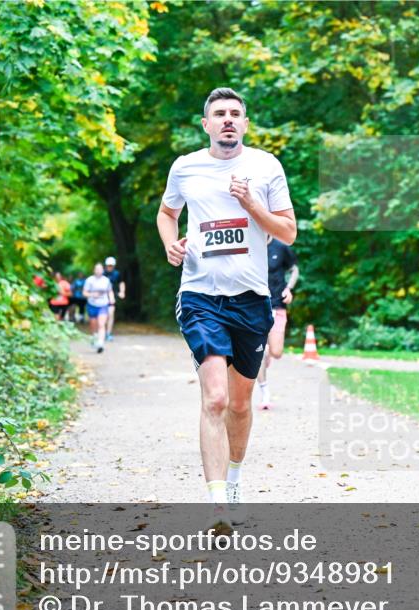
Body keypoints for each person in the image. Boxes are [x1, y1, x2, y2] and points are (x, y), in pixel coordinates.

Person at [156, 87, 296, 530]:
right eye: (219, 114)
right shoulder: (185, 167)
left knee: (239, 403)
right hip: (200, 296)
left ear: (246, 124)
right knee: (214, 397)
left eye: (236, 113)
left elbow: (288, 232)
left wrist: (251, 204)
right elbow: (166, 213)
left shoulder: (266, 166)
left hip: (252, 299)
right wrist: (170, 245)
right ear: (206, 124)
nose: (228, 120)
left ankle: (234, 479)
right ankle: (217, 505)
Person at [257, 237, 298, 409]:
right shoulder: (250, 244)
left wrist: (289, 288)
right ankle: (265, 395)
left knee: (276, 351)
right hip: (255, 307)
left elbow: (294, 269)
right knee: (258, 352)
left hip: (277, 305)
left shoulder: (280, 247)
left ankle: (267, 353)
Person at [83, 262, 115, 353]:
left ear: (102, 270)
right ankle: (94, 336)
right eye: (97, 269)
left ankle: (100, 343)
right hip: (92, 305)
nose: (98, 271)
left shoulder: (106, 280)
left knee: (101, 324)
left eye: (100, 269)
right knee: (93, 325)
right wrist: (92, 294)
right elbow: (84, 293)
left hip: (103, 305)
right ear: (94, 270)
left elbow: (110, 291)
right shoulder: (89, 280)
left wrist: (111, 300)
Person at [104, 256, 126, 341]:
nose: (110, 267)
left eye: (111, 265)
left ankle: (108, 333)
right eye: (108, 265)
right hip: (103, 297)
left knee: (110, 314)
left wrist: (122, 292)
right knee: (104, 315)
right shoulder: (103, 274)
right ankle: (103, 331)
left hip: (113, 296)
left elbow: (121, 283)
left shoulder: (117, 274)